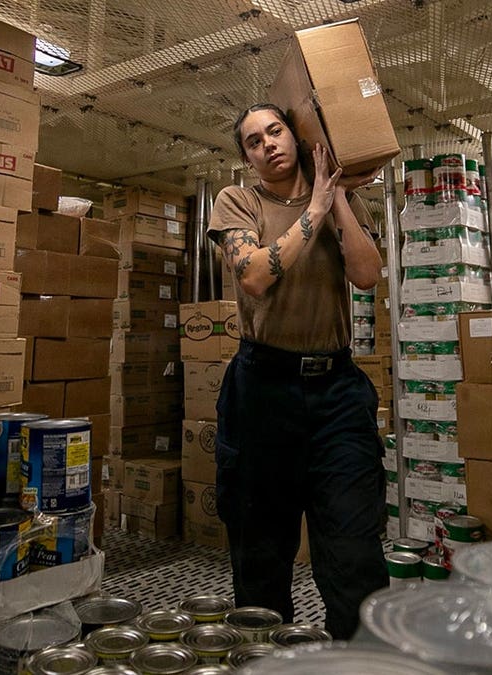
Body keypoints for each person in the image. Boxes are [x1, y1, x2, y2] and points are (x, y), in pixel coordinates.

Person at [207, 102, 387, 639]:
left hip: (337, 393)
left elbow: (367, 275)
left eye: (275, 131)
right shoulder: (237, 201)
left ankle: (359, 665)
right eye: (254, 141)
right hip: (262, 391)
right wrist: (314, 205)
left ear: (295, 134)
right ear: (247, 156)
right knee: (261, 552)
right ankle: (267, 659)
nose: (269, 144)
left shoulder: (340, 200)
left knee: (354, 550)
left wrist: (336, 202)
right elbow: (256, 275)